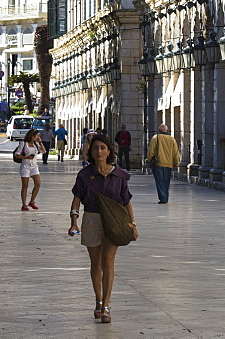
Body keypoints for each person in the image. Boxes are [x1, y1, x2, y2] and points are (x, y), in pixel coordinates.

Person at [68, 134, 137, 324]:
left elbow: (126, 201)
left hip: (114, 221)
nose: (99, 151)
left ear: (109, 151)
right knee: (96, 263)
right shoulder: (84, 175)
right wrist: (74, 221)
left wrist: (132, 224)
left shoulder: (119, 175)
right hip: (91, 219)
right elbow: (76, 199)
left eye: (103, 148)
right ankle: (98, 300)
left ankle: (106, 306)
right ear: (91, 151)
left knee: (108, 262)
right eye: (96, 148)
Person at [147, 123, 180, 204]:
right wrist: (176, 162)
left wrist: (149, 159)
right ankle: (165, 197)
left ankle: (163, 199)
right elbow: (176, 152)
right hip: (168, 164)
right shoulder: (172, 139)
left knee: (160, 181)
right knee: (166, 182)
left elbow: (151, 150)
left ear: (159, 130)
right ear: (167, 130)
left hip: (158, 163)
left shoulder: (156, 138)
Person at [14, 129, 44, 211]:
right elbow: (17, 154)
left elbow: (43, 151)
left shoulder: (36, 144)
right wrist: (26, 157)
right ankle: (24, 204)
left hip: (34, 166)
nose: (38, 137)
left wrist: (40, 142)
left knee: (38, 183)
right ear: (32, 136)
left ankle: (32, 201)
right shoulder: (23, 143)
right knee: (25, 185)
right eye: (37, 135)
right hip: (25, 165)